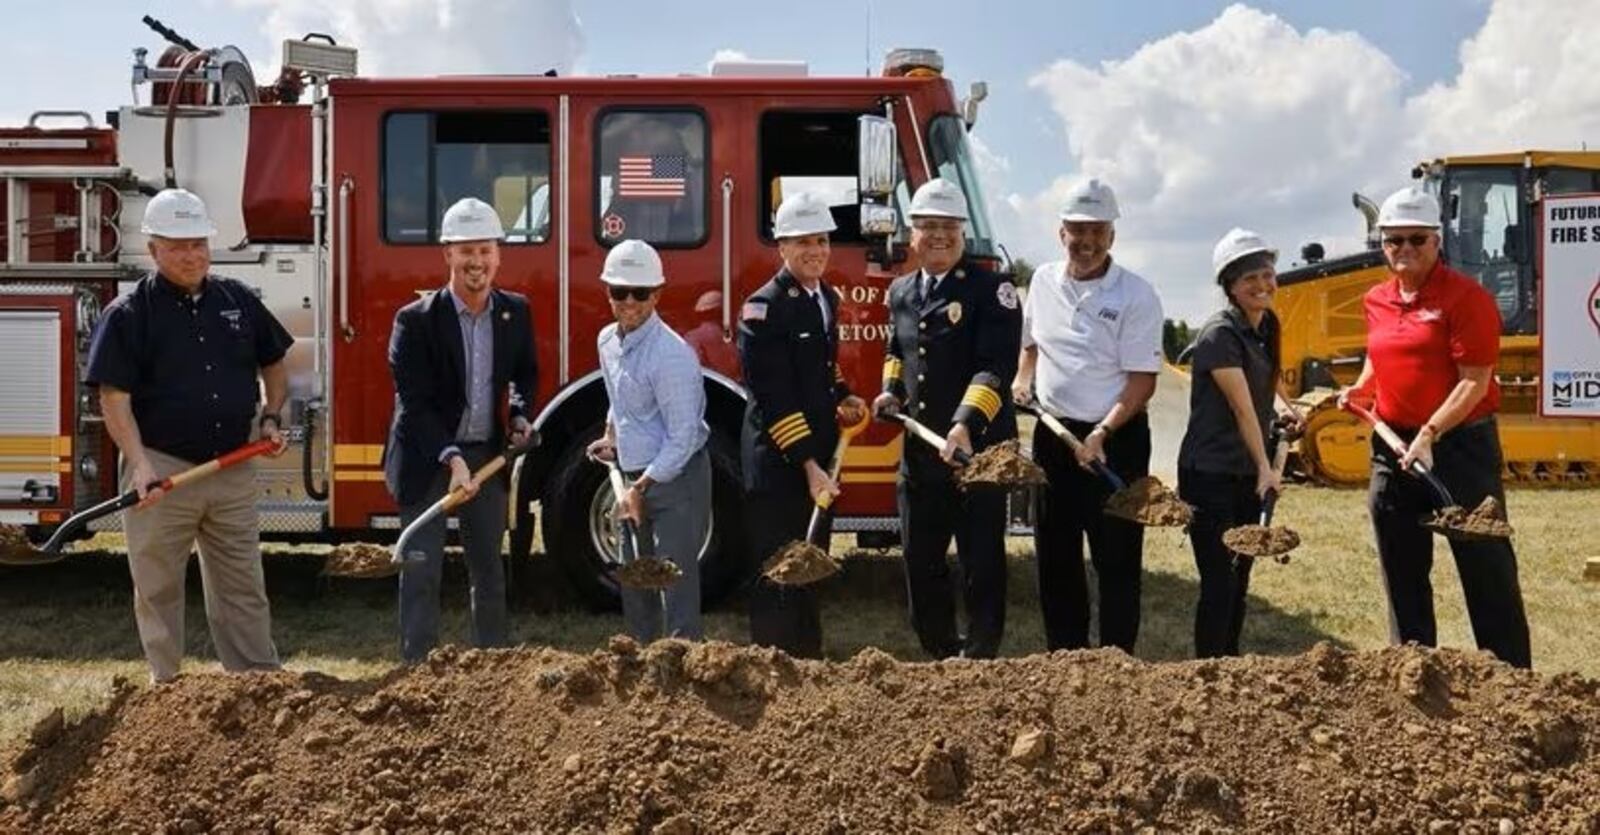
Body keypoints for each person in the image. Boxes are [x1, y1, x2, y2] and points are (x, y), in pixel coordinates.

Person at [84, 187, 291, 683]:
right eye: (177, 246)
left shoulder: (237, 300)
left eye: (198, 243)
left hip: (232, 465)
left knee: (242, 582)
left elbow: (274, 362)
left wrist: (271, 415)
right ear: (153, 249)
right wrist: (139, 463)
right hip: (163, 470)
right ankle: (166, 688)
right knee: (157, 586)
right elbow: (114, 398)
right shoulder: (130, 316)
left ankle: (256, 681)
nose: (191, 255)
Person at [1338, 186, 1531, 668]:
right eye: (1393, 240)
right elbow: (1379, 358)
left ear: (1437, 241)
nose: (1404, 249)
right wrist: (1362, 389)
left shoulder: (1467, 299)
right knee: (1401, 568)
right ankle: (1414, 672)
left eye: (1416, 239)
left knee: (1485, 565)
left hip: (1459, 446)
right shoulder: (1377, 300)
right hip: (1392, 445)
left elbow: (1474, 382)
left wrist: (1430, 433)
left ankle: (1510, 679)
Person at [1011, 177, 1164, 654]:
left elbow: (1143, 380)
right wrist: (1023, 375)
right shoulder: (1041, 281)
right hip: (1055, 436)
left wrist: (1101, 432)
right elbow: (1032, 341)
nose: (1087, 242)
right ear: (1061, 234)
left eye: (1097, 231)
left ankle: (1115, 660)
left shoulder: (1136, 295)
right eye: (1077, 231)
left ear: (1112, 237)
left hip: (1116, 440)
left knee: (1116, 555)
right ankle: (1066, 654)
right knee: (1056, 554)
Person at [382, 197, 538, 663]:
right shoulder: (415, 321)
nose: (477, 262)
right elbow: (415, 404)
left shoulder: (515, 311)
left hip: (484, 456)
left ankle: (491, 672)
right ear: (447, 254)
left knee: (488, 567)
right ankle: (418, 670)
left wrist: (518, 416)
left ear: (498, 255)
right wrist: (452, 460)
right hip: (429, 458)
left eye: (486, 251)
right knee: (421, 568)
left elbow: (524, 375)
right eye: (466, 251)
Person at [872, 178, 1021, 659]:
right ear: (911, 234)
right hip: (919, 454)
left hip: (977, 454)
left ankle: (979, 655)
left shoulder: (993, 289)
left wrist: (964, 424)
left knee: (981, 562)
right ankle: (940, 652)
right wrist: (891, 390)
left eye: (948, 227)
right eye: (928, 226)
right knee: (920, 561)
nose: (938, 235)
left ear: (964, 231)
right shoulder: (900, 291)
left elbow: (995, 367)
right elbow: (898, 349)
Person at [737, 191, 868, 658]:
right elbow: (774, 397)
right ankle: (774, 667)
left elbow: (818, 368)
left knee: (811, 563)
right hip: (780, 463)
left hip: (818, 458)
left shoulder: (824, 296)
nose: (816, 250)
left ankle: (808, 664)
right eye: (803, 241)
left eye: (822, 240)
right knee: (779, 570)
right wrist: (810, 466)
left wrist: (844, 393)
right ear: (782, 248)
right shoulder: (763, 309)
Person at [1176, 228, 1304, 658]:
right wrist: (1267, 468)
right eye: (1250, 278)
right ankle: (1208, 672)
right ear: (1229, 285)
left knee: (1241, 578)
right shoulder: (1219, 335)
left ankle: (1229, 666)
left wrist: (1287, 407)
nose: (1262, 285)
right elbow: (1243, 408)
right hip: (1210, 473)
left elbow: (1265, 382)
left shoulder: (1266, 325)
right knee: (1219, 582)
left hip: (1247, 469)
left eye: (1267, 274)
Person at [587, 239, 712, 642]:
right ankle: (641, 660)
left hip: (677, 479)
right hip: (633, 474)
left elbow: (683, 437)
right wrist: (611, 434)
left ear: (657, 294)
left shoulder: (671, 356)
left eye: (640, 293)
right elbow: (619, 397)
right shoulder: (607, 341)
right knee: (634, 573)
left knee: (673, 579)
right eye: (618, 291)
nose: (629, 301)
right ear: (606, 291)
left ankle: (680, 663)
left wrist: (639, 489)